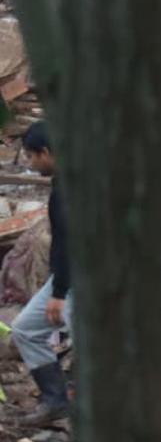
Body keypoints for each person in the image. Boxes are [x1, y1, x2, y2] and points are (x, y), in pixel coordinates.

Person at [10, 122, 72, 425]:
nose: (32, 165)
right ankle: (55, 400)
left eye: (32, 157)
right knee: (25, 328)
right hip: (64, 279)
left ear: (46, 152)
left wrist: (60, 294)